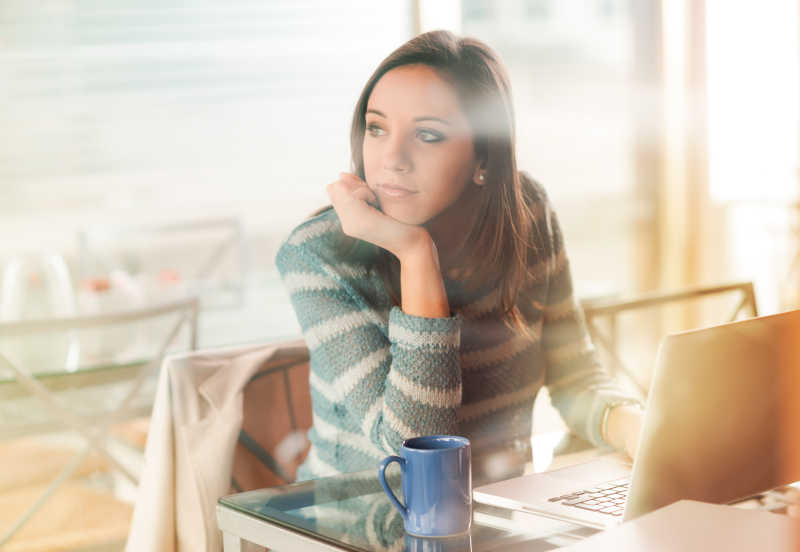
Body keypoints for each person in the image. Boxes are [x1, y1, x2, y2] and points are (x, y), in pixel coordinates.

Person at [276, 30, 644, 484]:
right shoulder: (318, 255)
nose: (392, 158)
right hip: (359, 526)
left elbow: (575, 378)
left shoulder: (526, 213)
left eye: (427, 135)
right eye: (377, 127)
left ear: (483, 159)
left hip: (502, 515)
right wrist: (415, 255)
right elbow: (416, 454)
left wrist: (638, 429)